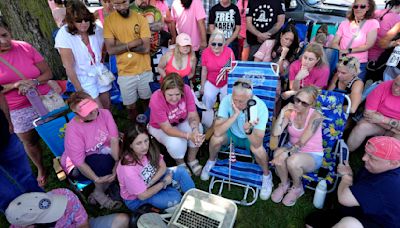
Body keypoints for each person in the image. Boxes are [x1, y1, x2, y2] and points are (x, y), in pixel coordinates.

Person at [0, 18, 53, 187]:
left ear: (9, 30)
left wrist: (34, 82)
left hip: (45, 99)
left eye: (4, 35)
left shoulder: (25, 47)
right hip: (17, 108)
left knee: (57, 131)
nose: (4, 41)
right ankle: (41, 168)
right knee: (30, 141)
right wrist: (15, 85)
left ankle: (68, 158)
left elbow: (47, 73)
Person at [201, 78, 273, 200]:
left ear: (250, 99)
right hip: (232, 134)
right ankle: (211, 160)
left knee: (258, 150)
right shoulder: (227, 100)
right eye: (235, 100)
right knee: (215, 139)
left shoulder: (260, 108)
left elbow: (257, 143)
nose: (238, 104)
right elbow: (217, 131)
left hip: (249, 138)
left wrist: (248, 130)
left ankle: (267, 175)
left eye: (242, 101)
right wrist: (234, 115)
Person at [305, 136, 400, 228]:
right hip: (363, 212)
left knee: (349, 224)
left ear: (394, 163)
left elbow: (344, 198)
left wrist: (347, 177)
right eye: (366, 153)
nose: (364, 158)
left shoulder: (389, 183)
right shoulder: (378, 167)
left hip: (381, 224)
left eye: (372, 157)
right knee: (312, 221)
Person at [61, 92, 122, 209]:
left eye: (93, 107)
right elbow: (79, 162)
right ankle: (99, 190)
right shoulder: (73, 129)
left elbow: (114, 139)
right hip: (78, 165)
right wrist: (96, 179)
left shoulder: (104, 113)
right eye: (87, 112)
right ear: (76, 114)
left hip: (104, 151)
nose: (93, 112)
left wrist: (117, 162)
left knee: (126, 151)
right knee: (103, 163)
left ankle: (100, 190)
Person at [117, 124, 195, 211]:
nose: (144, 146)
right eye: (138, 143)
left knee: (181, 171)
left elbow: (162, 166)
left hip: (152, 181)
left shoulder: (148, 149)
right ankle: (173, 192)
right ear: (130, 145)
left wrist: (151, 183)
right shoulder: (127, 169)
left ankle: (195, 198)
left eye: (146, 140)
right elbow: (142, 196)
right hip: (137, 199)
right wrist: (164, 182)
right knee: (176, 197)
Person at [270, 86, 324, 206]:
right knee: (277, 153)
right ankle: (284, 184)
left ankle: (297, 187)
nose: (298, 104)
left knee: (291, 161)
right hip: (292, 146)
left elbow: (302, 142)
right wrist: (283, 111)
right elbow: (276, 133)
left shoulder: (316, 116)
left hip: (312, 153)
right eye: (297, 100)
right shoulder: (291, 112)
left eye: (304, 103)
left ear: (311, 104)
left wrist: (285, 154)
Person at [55, 0, 111, 109]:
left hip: (99, 72)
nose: (84, 23)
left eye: (86, 19)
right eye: (79, 20)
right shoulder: (64, 35)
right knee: (97, 109)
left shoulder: (96, 30)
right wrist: (79, 90)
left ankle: (109, 124)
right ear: (72, 21)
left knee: (106, 104)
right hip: (82, 78)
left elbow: (104, 50)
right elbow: (69, 67)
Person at [104, 0, 153, 120]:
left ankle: (149, 125)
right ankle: (136, 129)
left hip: (144, 69)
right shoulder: (109, 21)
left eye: (124, 3)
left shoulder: (140, 19)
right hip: (125, 72)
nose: (121, 7)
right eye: (117, 4)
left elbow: (146, 48)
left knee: (147, 102)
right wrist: (134, 43)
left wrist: (120, 45)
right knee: (131, 106)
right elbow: (110, 50)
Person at [148, 73, 205, 174]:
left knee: (199, 129)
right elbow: (167, 129)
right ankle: (180, 163)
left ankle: (191, 159)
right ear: (163, 91)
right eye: (170, 95)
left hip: (180, 120)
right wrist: (188, 135)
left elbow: (192, 114)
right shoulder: (156, 99)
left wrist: (195, 130)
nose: (174, 98)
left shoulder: (187, 90)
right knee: (176, 143)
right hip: (159, 127)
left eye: (178, 94)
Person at [0, 88, 43, 214]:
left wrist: (8, 121)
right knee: (6, 195)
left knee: (26, 176)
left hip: (5, 137)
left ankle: (44, 209)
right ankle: (25, 220)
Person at [6, 188, 129, 228]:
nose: (60, 210)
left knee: (122, 220)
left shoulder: (64, 195)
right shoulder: (21, 222)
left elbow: (83, 224)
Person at [347, 76, 400, 152]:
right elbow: (368, 114)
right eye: (396, 84)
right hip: (381, 125)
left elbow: (375, 117)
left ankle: (380, 161)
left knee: (397, 142)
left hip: (386, 125)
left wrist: (383, 119)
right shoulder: (383, 86)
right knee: (361, 127)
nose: (396, 89)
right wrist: (391, 127)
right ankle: (346, 154)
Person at [331, 0, 379, 81]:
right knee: (335, 86)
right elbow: (334, 42)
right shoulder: (344, 23)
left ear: (368, 8)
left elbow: (368, 45)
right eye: (355, 6)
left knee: (354, 88)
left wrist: (348, 50)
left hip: (358, 64)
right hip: (342, 62)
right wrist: (341, 51)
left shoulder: (373, 23)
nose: (358, 9)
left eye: (362, 6)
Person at [200, 29, 235, 110]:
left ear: (224, 44)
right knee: (207, 97)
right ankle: (208, 114)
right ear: (210, 43)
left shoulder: (229, 51)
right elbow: (204, 70)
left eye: (219, 44)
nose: (216, 46)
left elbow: (232, 70)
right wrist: (202, 86)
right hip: (211, 81)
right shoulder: (205, 52)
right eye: (213, 43)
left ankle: (223, 115)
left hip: (226, 81)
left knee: (227, 100)